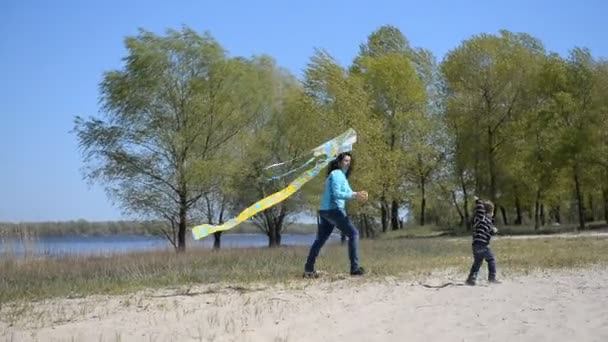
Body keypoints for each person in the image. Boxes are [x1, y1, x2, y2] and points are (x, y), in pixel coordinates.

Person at [303, 152, 368, 278]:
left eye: (349, 161)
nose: (347, 163)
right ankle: (354, 269)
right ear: (338, 162)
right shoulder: (337, 174)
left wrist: (356, 193)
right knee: (353, 234)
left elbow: (348, 192)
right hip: (334, 210)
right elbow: (337, 194)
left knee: (320, 240)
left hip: (326, 211)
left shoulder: (340, 176)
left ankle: (308, 270)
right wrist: (354, 196)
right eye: (345, 161)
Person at [466, 197, 501, 285]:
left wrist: (494, 231)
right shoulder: (481, 218)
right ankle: (492, 278)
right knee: (491, 260)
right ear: (490, 212)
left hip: (475, 245)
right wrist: (479, 201)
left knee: (477, 262)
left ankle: (471, 278)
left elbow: (490, 232)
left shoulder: (488, 222)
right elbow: (480, 210)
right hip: (483, 245)